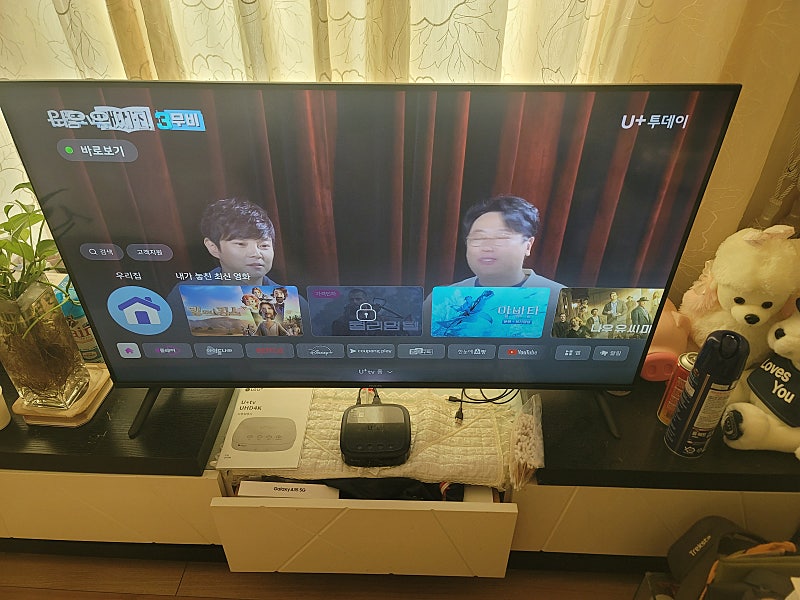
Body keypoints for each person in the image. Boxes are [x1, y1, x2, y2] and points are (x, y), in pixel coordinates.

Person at [201, 197, 278, 286]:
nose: (256, 254)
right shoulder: (189, 292)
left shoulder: (287, 294)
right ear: (213, 247)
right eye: (241, 244)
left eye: (264, 246)